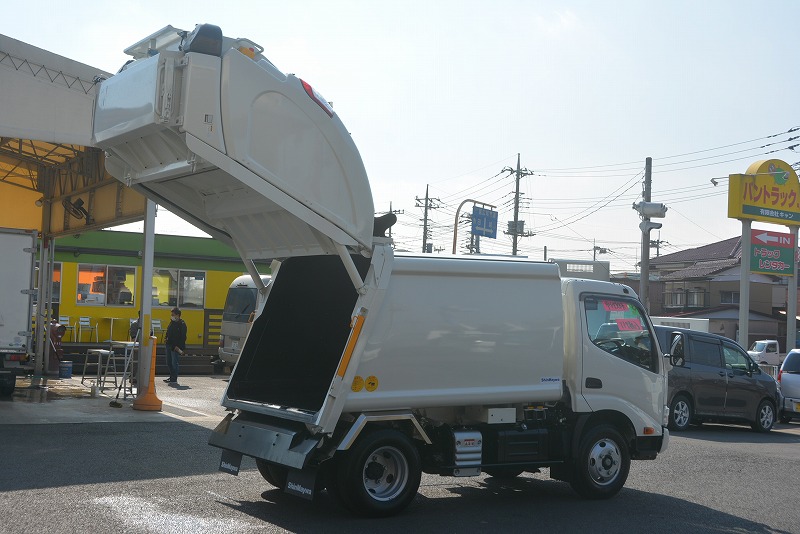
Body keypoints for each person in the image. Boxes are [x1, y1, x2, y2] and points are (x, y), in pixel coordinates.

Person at [164, 307, 187, 385]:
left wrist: (178, 346)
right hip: (169, 345)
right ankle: (171, 376)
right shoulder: (172, 323)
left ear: (178, 315)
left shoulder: (182, 324)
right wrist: (165, 339)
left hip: (176, 346)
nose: (172, 316)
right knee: (169, 362)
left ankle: (174, 378)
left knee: (174, 362)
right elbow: (168, 332)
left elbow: (183, 337)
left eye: (173, 314)